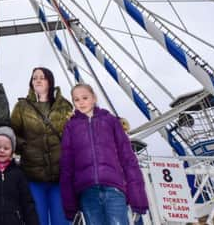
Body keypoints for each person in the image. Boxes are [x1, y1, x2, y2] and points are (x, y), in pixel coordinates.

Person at [60, 84, 148, 225]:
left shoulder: (110, 121)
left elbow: (128, 158)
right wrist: (69, 204)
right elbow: (67, 166)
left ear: (94, 98)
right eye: (76, 100)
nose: (81, 102)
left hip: (114, 188)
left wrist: (138, 197)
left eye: (85, 98)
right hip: (87, 191)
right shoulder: (71, 127)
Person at [11, 67, 72, 225]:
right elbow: (12, 134)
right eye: (34, 78)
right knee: (37, 220)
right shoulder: (22, 107)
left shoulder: (64, 106)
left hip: (60, 176)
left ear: (50, 81)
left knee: (62, 220)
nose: (37, 80)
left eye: (42, 77)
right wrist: (25, 146)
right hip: (33, 176)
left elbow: (74, 133)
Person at [0, 126, 40, 225]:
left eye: (6, 148)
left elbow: (27, 203)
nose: (1, 150)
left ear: (12, 150)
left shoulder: (18, 174)